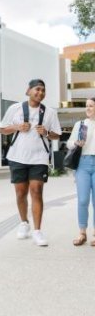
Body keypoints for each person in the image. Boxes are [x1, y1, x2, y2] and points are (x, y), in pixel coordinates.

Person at [0, 79, 61, 246]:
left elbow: (57, 134)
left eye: (43, 90)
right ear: (28, 91)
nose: (40, 93)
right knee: (20, 193)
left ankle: (37, 231)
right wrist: (17, 127)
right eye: (37, 89)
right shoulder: (15, 108)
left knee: (36, 191)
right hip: (17, 157)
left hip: (39, 158)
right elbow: (1, 129)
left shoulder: (50, 112)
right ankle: (24, 223)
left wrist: (47, 132)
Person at [67, 97, 95, 247]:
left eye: (91, 106)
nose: (88, 108)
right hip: (83, 164)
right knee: (83, 200)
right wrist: (76, 143)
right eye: (87, 106)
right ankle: (82, 232)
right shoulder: (81, 124)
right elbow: (69, 142)